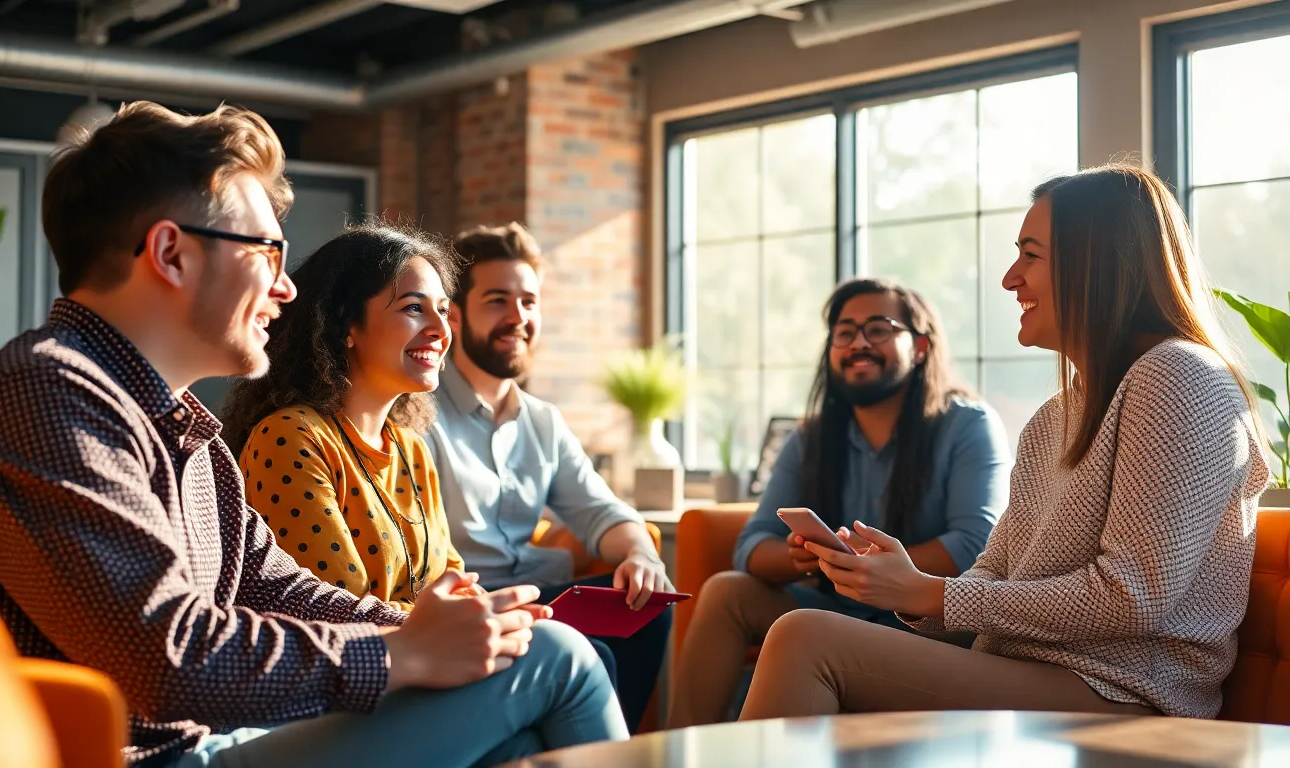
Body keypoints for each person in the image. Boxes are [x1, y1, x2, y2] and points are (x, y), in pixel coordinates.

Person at [0, 101, 625, 768]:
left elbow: (277, 588)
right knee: (557, 661)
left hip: (213, 742)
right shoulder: (42, 394)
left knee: (521, 721)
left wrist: (433, 631)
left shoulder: (187, 432)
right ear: (171, 253)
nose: (288, 290)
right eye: (267, 252)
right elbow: (169, 660)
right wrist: (404, 654)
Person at [737, 164, 1269, 722]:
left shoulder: (1179, 378)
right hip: (1030, 669)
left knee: (806, 638)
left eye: (1031, 255)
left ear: (1096, 262)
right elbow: (996, 571)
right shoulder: (1056, 416)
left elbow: (1132, 596)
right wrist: (906, 587)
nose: (1010, 278)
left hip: (1125, 695)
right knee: (801, 630)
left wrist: (933, 595)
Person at [667, 278, 1011, 727]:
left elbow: (975, 546)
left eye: (878, 329)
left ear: (921, 346)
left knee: (809, 631)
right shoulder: (809, 438)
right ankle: (678, 752)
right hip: (834, 606)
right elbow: (751, 546)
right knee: (726, 591)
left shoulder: (967, 425)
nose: (858, 344)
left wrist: (879, 574)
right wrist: (805, 557)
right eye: (844, 333)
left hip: (929, 621)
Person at [429, 222, 672, 732]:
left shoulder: (543, 420)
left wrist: (641, 554)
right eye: (497, 300)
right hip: (474, 605)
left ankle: (605, 751)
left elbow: (599, 511)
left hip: (544, 595)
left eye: (529, 302)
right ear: (454, 313)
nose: (517, 317)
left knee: (648, 606)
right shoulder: (418, 414)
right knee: (595, 655)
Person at [222, 222, 467, 611]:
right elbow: (337, 608)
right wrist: (448, 619)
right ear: (346, 323)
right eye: (414, 308)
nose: (440, 329)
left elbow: (453, 579)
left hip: (436, 654)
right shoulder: (290, 436)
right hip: (361, 662)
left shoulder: (412, 450)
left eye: (442, 310)